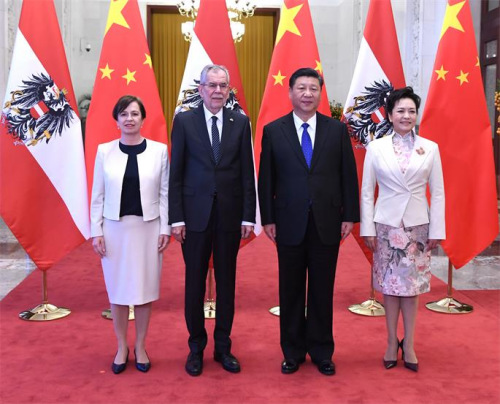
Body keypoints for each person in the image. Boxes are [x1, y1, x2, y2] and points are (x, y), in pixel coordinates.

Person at [258, 67, 359, 376]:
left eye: (313, 88)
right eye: (301, 88)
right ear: (290, 93)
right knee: (289, 291)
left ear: (320, 93)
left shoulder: (336, 130)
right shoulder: (274, 130)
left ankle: (321, 350)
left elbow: (347, 176)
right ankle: (292, 352)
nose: (307, 94)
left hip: (327, 221)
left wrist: (351, 215)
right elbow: (267, 179)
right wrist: (268, 218)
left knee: (321, 290)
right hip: (287, 222)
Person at [169, 64, 256, 376]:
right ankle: (195, 347)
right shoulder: (184, 121)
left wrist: (249, 215)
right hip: (193, 218)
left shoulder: (240, 122)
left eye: (223, 86)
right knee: (194, 284)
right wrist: (176, 218)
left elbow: (248, 172)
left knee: (227, 284)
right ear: (201, 89)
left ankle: (223, 347)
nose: (218, 91)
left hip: (230, 217)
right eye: (212, 85)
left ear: (228, 90)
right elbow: (175, 173)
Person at [360, 87, 445, 372]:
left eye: (411, 111)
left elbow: (439, 192)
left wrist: (437, 229)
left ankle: (408, 344)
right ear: (390, 115)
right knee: (389, 287)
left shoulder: (430, 148)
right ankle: (389, 342)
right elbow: (366, 192)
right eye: (400, 111)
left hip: (418, 228)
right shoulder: (376, 147)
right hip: (385, 226)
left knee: (411, 288)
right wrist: (367, 228)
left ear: (416, 115)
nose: (406, 116)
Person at [90, 95, 170, 374]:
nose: (129, 119)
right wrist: (95, 231)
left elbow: (164, 195)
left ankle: (141, 346)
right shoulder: (104, 152)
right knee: (119, 291)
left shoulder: (159, 151)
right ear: (117, 120)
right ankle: (122, 345)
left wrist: (165, 228)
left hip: (148, 229)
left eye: (135, 114)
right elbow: (97, 195)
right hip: (114, 230)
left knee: (145, 290)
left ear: (143, 118)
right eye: (124, 114)